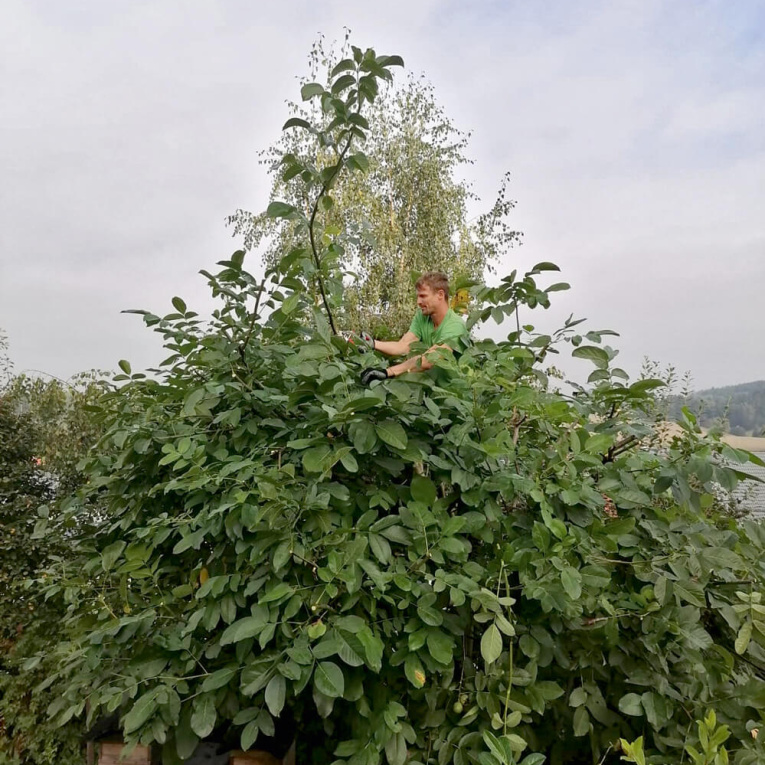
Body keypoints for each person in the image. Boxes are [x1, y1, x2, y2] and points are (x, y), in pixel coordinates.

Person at [358, 271, 468, 385]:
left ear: (440, 295)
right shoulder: (422, 317)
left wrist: (388, 372)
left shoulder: (455, 325)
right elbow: (404, 346)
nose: (418, 302)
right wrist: (373, 343)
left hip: (456, 395)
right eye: (418, 296)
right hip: (432, 391)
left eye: (423, 296)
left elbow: (429, 360)